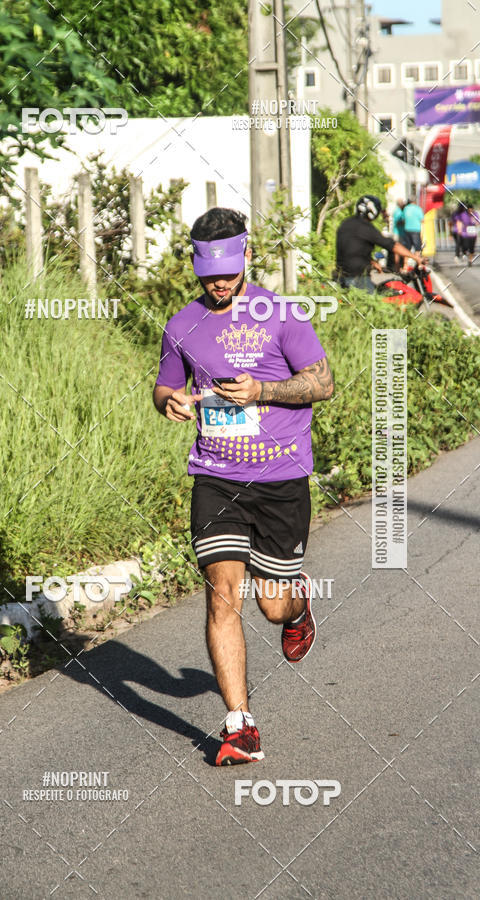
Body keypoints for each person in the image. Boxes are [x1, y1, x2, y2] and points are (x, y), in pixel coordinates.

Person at [153, 207, 334, 766]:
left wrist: (262, 391)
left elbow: (322, 383)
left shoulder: (282, 314)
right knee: (221, 593)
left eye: (228, 272)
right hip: (215, 475)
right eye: (209, 275)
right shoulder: (182, 324)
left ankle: (297, 606)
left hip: (280, 479)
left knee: (271, 605)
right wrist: (172, 402)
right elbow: (163, 386)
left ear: (246, 257)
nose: (220, 283)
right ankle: (240, 725)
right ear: (195, 267)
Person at [335, 195, 423, 293]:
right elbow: (392, 245)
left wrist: (372, 262)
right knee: (381, 302)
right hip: (358, 279)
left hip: (340, 276)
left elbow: (353, 248)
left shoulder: (346, 223)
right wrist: (416, 257)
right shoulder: (366, 228)